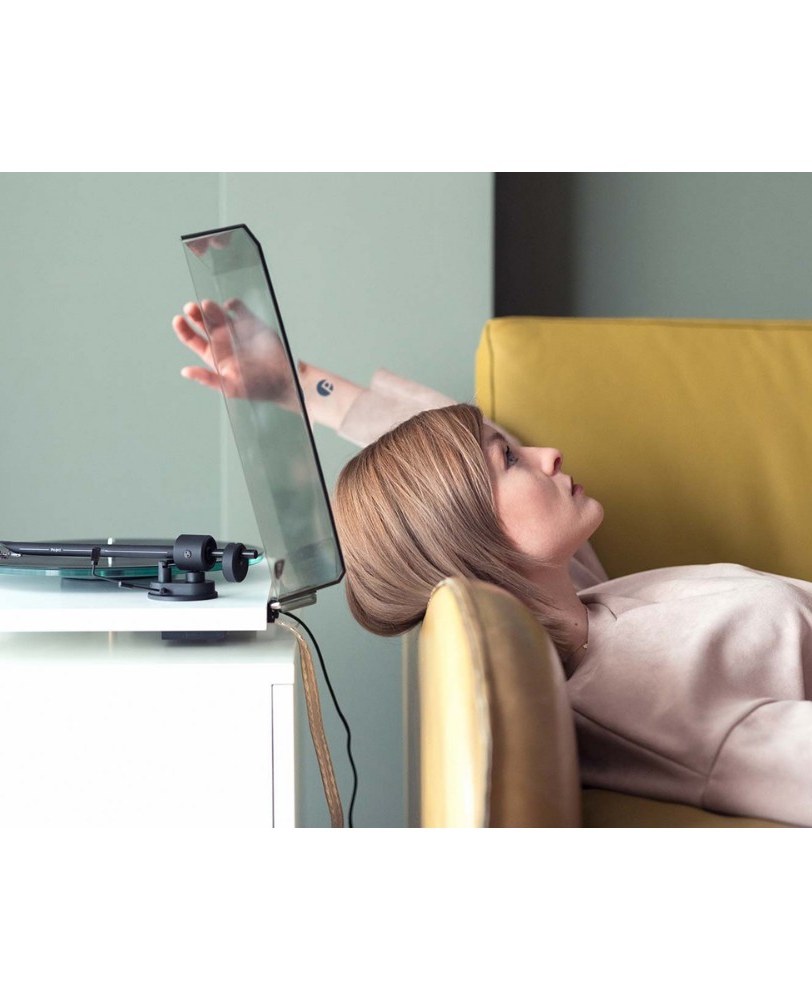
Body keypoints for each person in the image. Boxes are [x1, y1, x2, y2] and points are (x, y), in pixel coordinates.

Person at [172, 301, 812, 827]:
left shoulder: (574, 604)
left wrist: (296, 382)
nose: (550, 454)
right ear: (468, 534)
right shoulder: (642, 700)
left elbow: (442, 447)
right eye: (509, 460)